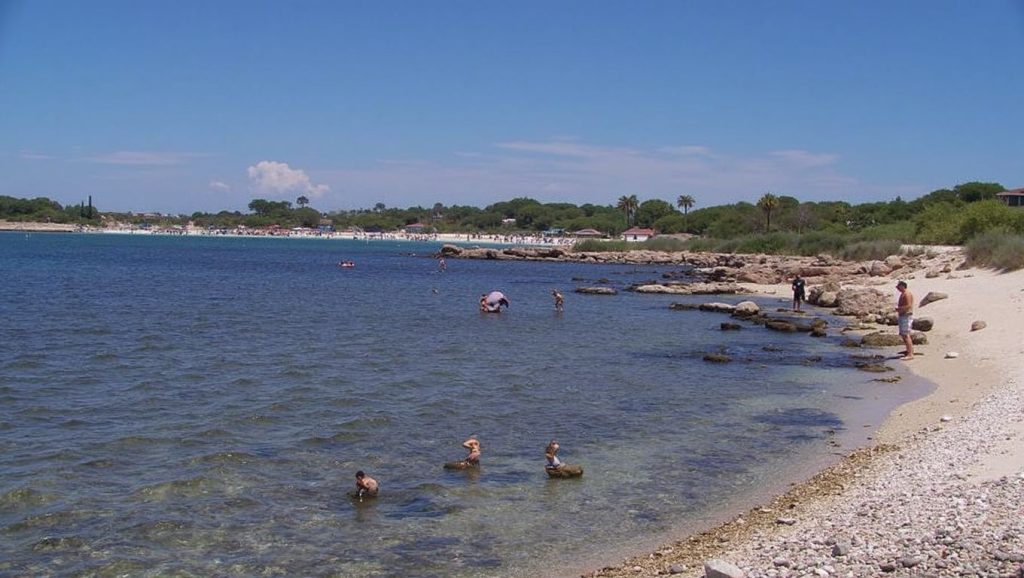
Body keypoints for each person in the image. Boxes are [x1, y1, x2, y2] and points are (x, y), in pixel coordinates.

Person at [896, 280, 915, 360]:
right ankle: (908, 350)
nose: (897, 288)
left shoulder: (907, 294)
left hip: (906, 316)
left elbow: (908, 306)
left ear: (902, 286)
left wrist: (899, 309)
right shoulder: (903, 293)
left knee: (906, 335)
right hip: (903, 315)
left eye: (898, 287)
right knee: (903, 334)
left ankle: (910, 354)